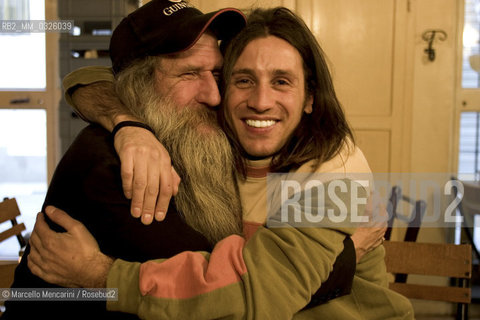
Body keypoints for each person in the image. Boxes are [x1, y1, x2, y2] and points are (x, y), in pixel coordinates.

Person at [26, 5, 413, 320]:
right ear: (137, 89)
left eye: (217, 73)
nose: (214, 94)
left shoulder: (327, 163)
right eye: (190, 74)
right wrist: (344, 257)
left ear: (310, 97)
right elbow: (231, 298)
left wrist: (102, 275)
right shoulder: (116, 168)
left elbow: (239, 294)